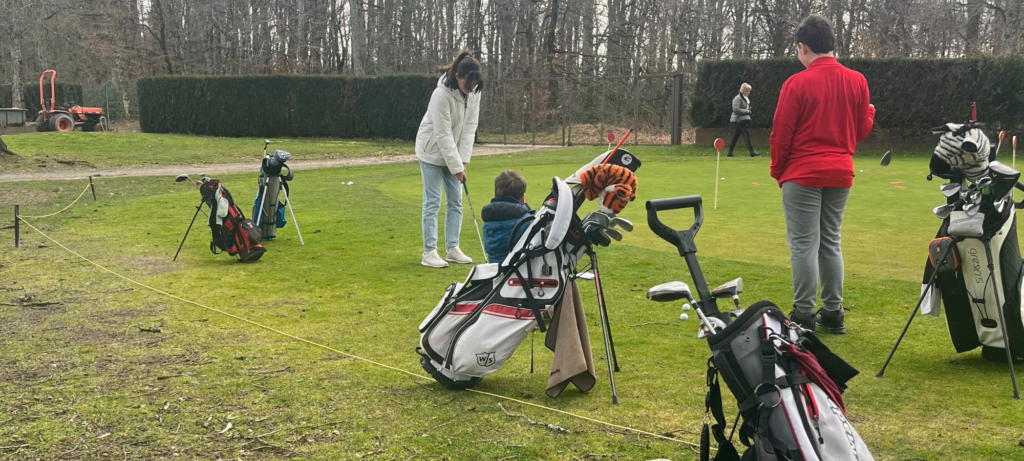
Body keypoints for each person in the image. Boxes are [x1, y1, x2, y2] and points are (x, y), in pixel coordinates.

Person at [769, 15, 875, 334]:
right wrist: (869, 112)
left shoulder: (796, 83)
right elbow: (859, 131)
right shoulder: (857, 81)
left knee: (803, 245)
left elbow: (781, 134)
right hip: (840, 172)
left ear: (803, 47)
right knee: (830, 243)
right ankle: (832, 313)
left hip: (802, 173)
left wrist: (778, 170)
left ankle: (803, 315)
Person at [415, 50, 484, 268]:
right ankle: (429, 252)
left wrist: (462, 161)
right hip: (431, 151)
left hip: (453, 152)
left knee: (456, 201)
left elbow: (470, 127)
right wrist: (457, 167)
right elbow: (443, 134)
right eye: (468, 84)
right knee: (433, 201)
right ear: (457, 77)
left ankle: (452, 248)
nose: (470, 89)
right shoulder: (441, 95)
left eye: (474, 85)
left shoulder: (474, 92)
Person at [481, 170, 534, 264]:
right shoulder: (528, 219)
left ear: (494, 195)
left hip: (495, 268)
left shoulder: (488, 220)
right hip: (521, 269)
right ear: (523, 198)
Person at [727, 83, 760, 157]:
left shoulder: (745, 98)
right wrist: (746, 111)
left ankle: (730, 152)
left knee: (736, 136)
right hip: (736, 120)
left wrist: (748, 110)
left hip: (740, 120)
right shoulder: (737, 98)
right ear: (743, 90)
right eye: (747, 91)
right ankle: (752, 151)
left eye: (749, 91)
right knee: (746, 134)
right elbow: (735, 109)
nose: (748, 93)